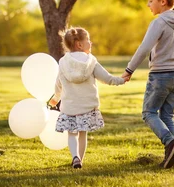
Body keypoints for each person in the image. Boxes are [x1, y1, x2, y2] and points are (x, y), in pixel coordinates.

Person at [122, 0, 174, 169]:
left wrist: (129, 69)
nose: (148, 4)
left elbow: (144, 47)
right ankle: (173, 157)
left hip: (161, 76)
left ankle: (169, 142)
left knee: (148, 113)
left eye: (150, 0)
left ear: (162, 1)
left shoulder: (159, 23)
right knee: (167, 116)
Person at [50, 27, 125, 169]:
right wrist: (121, 80)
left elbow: (58, 83)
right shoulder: (91, 62)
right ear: (79, 44)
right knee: (82, 133)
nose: (90, 43)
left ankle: (75, 157)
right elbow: (107, 79)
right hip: (86, 106)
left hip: (70, 107)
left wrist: (56, 98)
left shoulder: (63, 62)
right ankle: (81, 160)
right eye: (88, 40)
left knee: (72, 134)